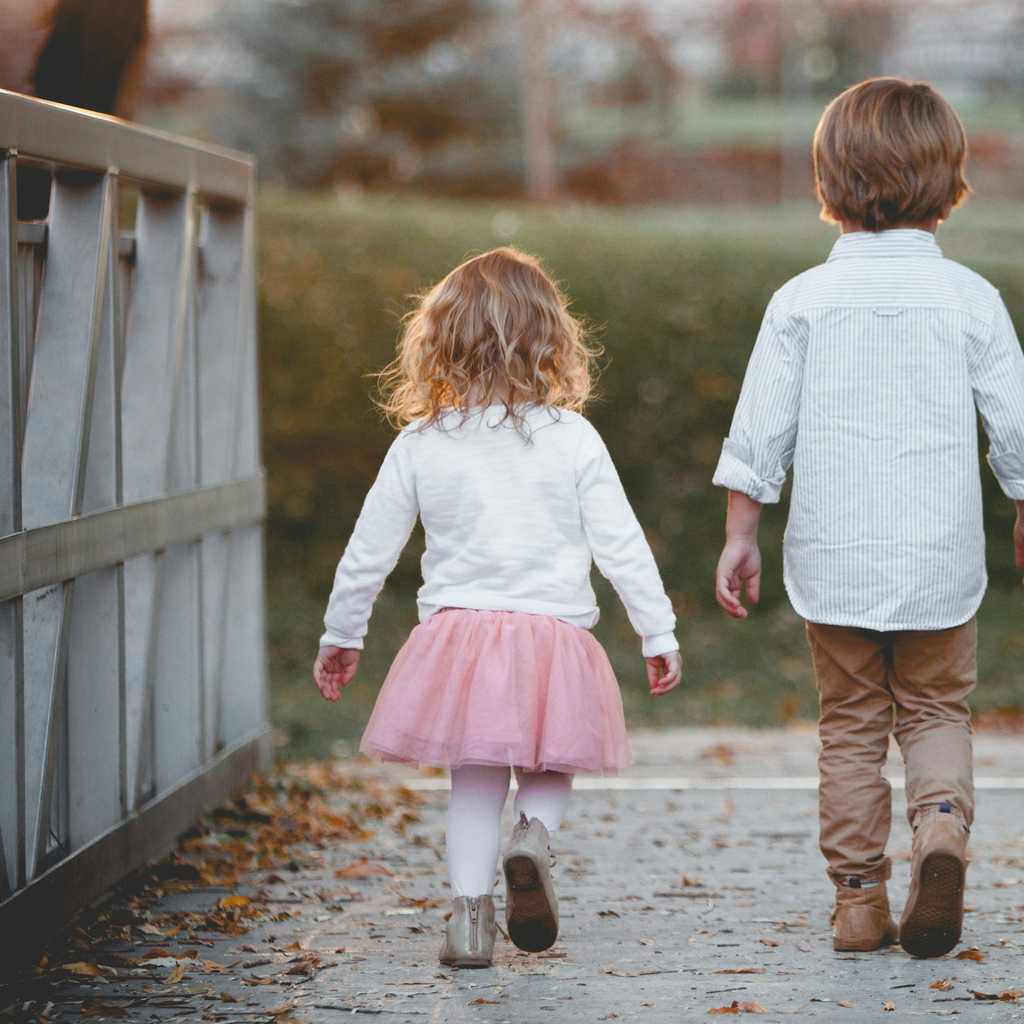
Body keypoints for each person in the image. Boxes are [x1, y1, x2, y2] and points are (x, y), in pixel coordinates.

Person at [712, 77, 1024, 958]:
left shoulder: (802, 301)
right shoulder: (970, 298)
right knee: (936, 709)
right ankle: (941, 827)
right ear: (949, 180)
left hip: (835, 558)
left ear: (829, 179)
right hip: (939, 560)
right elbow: (1016, 426)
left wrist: (741, 534)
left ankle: (857, 903)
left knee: (849, 724)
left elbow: (759, 433)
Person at [314, 247, 682, 968]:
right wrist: (657, 630)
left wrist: (342, 631)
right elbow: (622, 546)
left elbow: (368, 550)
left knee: (474, 782)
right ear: (551, 339)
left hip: (460, 643)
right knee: (551, 762)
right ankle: (533, 838)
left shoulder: (421, 443)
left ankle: (469, 923)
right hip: (554, 636)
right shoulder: (573, 438)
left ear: (439, 342)